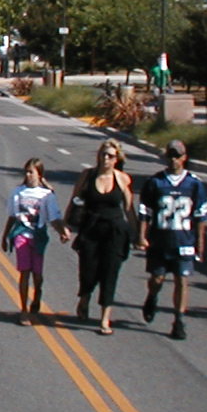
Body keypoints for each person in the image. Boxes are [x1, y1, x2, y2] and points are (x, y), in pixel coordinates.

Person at [136, 139, 207, 340]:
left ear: (184, 157)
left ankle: (179, 320)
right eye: (170, 155)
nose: (173, 159)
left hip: (184, 240)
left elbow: (201, 216)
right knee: (157, 279)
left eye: (177, 156)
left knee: (181, 280)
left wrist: (200, 244)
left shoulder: (194, 184)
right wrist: (141, 236)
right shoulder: (155, 182)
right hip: (160, 240)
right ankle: (152, 296)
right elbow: (145, 211)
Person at [66, 139, 135, 335]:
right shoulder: (88, 176)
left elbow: (129, 209)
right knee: (88, 271)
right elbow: (74, 200)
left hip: (114, 232)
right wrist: (66, 225)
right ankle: (85, 297)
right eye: (103, 154)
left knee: (110, 273)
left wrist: (138, 235)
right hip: (91, 230)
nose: (105, 158)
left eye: (110, 156)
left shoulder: (122, 179)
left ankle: (105, 318)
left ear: (116, 159)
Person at [0, 157, 70, 321]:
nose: (28, 175)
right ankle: (24, 309)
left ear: (39, 174)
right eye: (26, 172)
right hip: (21, 234)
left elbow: (53, 218)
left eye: (31, 172)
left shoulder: (46, 195)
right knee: (24, 272)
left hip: (38, 237)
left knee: (37, 274)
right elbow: (12, 216)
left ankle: (37, 295)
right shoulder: (18, 193)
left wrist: (62, 231)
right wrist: (5, 236)